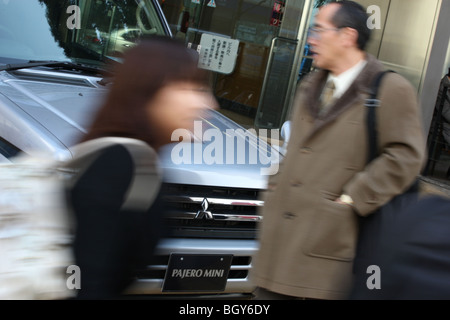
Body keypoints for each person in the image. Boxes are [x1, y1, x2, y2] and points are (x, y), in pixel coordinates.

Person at [251, 1, 426, 300]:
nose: (310, 39)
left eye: (318, 30)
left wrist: (353, 197)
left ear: (347, 36)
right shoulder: (310, 85)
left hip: (329, 254)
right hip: (278, 248)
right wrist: (275, 187)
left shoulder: (389, 89)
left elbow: (407, 155)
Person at [66, 36, 217, 299]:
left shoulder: (141, 160)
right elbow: (89, 285)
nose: (207, 104)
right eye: (189, 87)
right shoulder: (117, 165)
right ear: (148, 92)